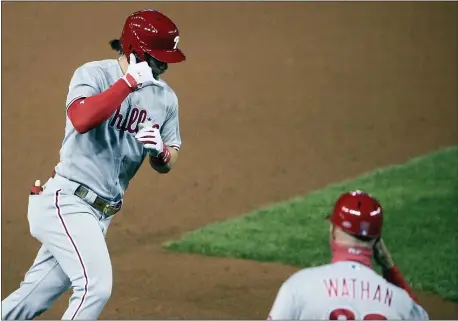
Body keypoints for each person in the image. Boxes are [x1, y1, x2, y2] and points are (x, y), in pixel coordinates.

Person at [2, 9, 185, 320]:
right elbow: (82, 119)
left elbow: (171, 156)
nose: (164, 65)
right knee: (95, 287)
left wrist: (161, 153)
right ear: (136, 50)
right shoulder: (94, 75)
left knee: (31, 299)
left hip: (100, 215)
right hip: (67, 202)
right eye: (157, 57)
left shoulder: (165, 98)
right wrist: (127, 82)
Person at [267, 190, 429, 320]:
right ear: (377, 241)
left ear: (332, 231)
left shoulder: (298, 285)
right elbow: (421, 315)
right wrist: (390, 267)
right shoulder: (400, 301)